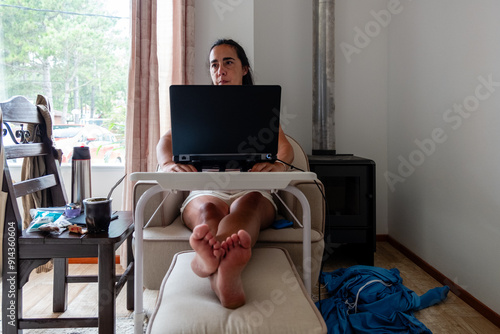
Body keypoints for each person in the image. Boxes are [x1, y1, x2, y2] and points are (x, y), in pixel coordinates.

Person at [156, 38, 294, 309]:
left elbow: (284, 147)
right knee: (208, 209)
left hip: (251, 188)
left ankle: (206, 262)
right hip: (207, 188)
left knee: (250, 204)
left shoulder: (259, 108)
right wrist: (167, 164)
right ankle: (223, 272)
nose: (220, 70)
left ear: (244, 68)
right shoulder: (200, 108)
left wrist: (279, 165)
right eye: (214, 65)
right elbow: (166, 141)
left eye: (228, 62)